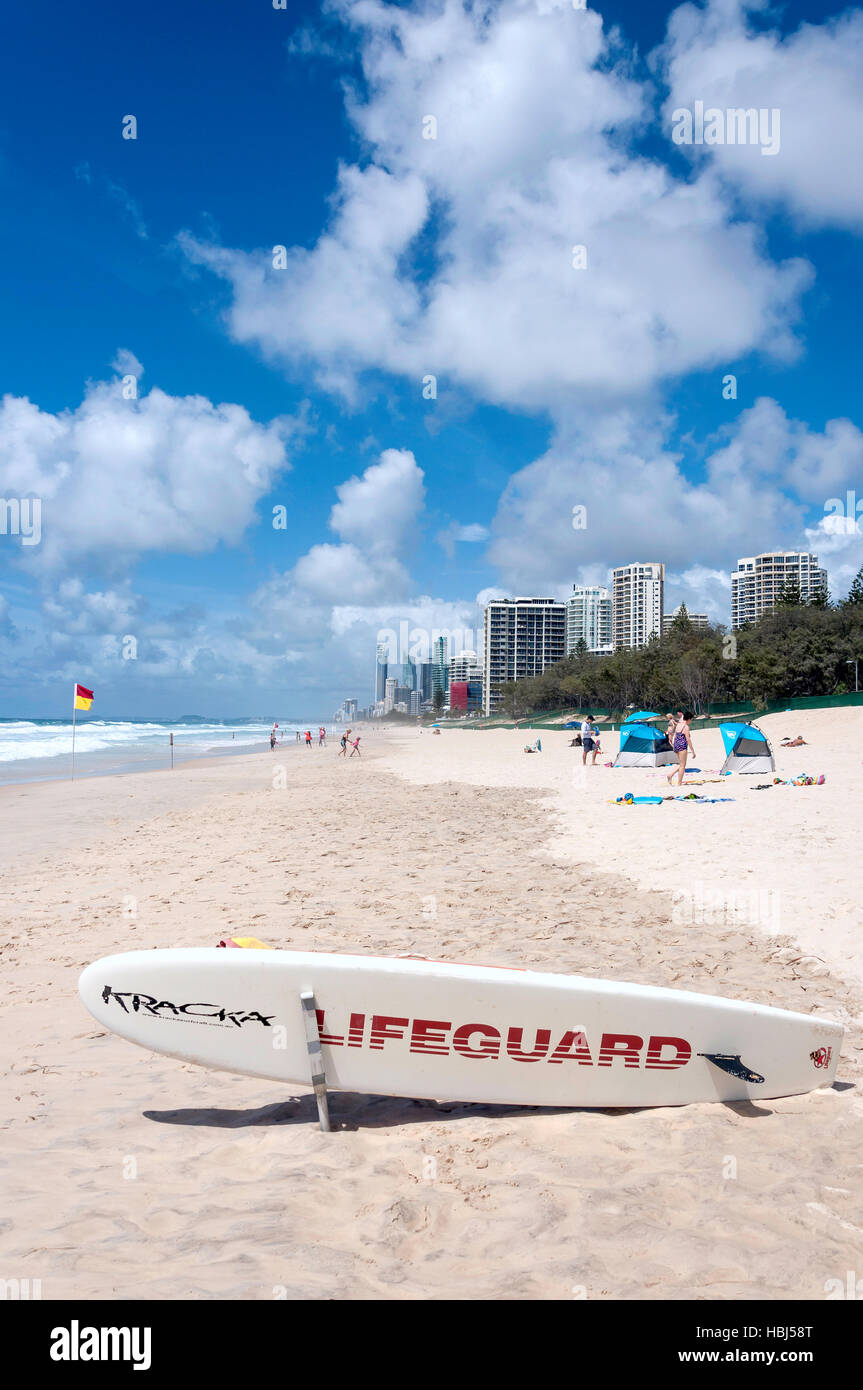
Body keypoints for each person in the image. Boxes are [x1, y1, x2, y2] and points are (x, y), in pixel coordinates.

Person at [667, 709, 695, 785]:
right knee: (683, 765)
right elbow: (688, 740)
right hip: (682, 746)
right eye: (691, 720)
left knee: (681, 764)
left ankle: (670, 775)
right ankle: (679, 783)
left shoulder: (679, 724)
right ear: (688, 719)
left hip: (676, 745)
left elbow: (676, 734)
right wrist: (693, 751)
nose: (691, 721)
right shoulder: (686, 727)